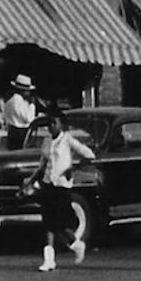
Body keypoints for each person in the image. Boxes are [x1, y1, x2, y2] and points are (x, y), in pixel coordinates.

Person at [21, 110, 95, 272]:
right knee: (48, 223)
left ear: (62, 125)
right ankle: (49, 260)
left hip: (62, 186)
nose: (51, 126)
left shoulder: (67, 139)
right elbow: (42, 165)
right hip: (48, 185)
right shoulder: (47, 141)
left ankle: (76, 244)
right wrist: (30, 181)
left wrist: (73, 168)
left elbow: (88, 154)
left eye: (54, 123)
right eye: (49, 123)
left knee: (61, 224)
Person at [4, 74, 37, 151]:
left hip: (11, 132)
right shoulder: (19, 103)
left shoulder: (9, 102)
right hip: (20, 134)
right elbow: (29, 118)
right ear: (23, 91)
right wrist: (32, 105)